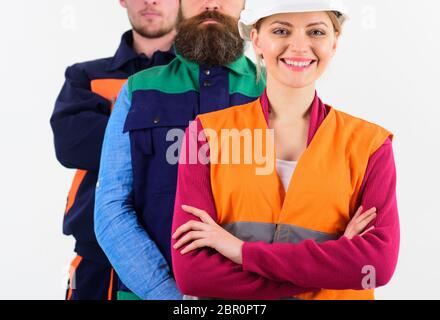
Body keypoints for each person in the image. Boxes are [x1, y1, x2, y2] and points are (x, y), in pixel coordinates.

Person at [172, 0, 400, 300]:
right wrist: (332, 266)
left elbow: (376, 266)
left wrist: (241, 251)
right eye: (281, 30)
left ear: (334, 43)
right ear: (256, 40)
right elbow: (194, 276)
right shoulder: (205, 135)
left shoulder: (369, 145)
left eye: (316, 32)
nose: (299, 46)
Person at [94, 0, 275, 300]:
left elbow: (300, 208)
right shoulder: (138, 90)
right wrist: (169, 296)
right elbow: (111, 209)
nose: (211, 4)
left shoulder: (276, 91)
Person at [50, 0, 179, 300]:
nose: (152, 1)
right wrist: (162, 133)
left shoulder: (198, 81)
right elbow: (70, 144)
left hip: (172, 257)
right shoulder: (85, 76)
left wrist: (116, 120)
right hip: (95, 259)